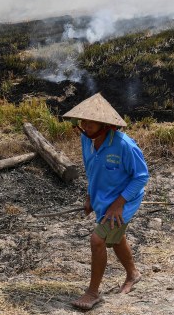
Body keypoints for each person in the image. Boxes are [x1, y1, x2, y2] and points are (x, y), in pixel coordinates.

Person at [63, 93, 149, 311]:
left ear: (105, 123)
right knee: (115, 237)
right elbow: (91, 170)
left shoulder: (124, 145)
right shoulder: (87, 140)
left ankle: (93, 293)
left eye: (91, 121)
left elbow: (141, 176)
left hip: (124, 202)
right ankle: (133, 274)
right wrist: (90, 197)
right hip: (103, 198)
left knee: (98, 240)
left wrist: (119, 203)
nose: (85, 125)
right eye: (83, 120)